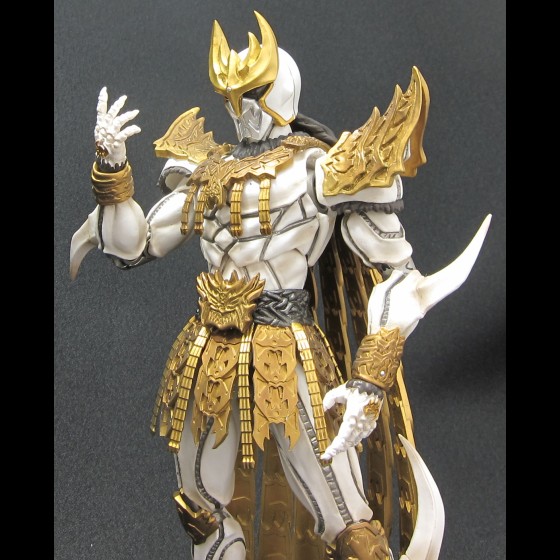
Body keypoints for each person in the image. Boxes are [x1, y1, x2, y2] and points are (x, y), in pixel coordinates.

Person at [70, 11, 489, 560]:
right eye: (230, 98)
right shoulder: (208, 173)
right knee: (200, 510)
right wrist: (112, 171)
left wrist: (370, 377)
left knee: (346, 521)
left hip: (284, 352)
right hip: (208, 354)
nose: (240, 111)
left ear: (280, 88)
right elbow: (136, 244)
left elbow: (400, 277)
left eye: (252, 95)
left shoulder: (320, 172)